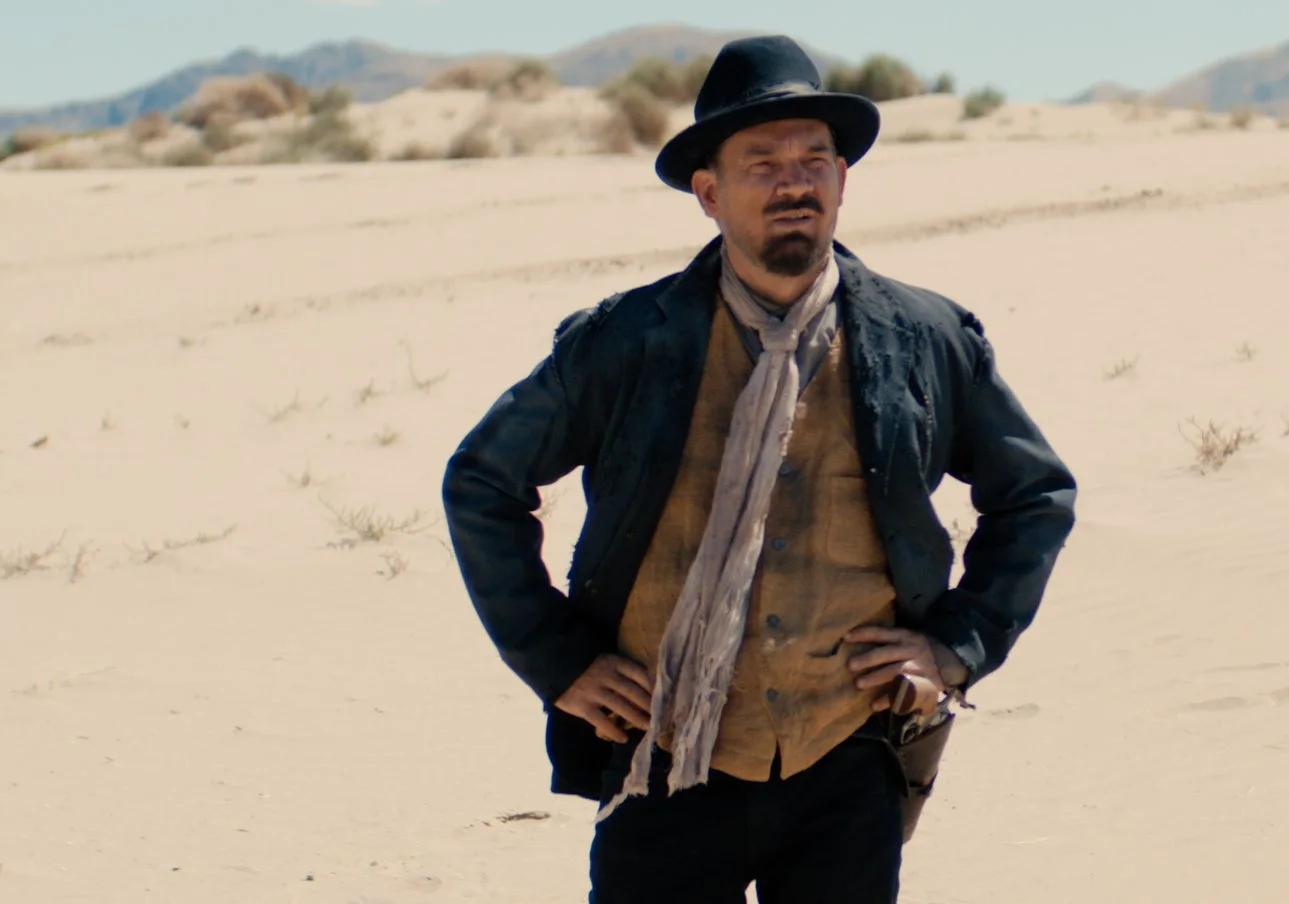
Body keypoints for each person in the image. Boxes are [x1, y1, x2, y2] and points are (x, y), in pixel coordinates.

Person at [439, 33, 1077, 904]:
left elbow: (1035, 493)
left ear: (842, 181)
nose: (794, 183)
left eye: (814, 161)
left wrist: (955, 646)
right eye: (763, 164)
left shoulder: (921, 339)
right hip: (664, 760)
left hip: (848, 761)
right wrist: (560, 661)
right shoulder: (627, 342)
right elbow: (481, 482)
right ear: (709, 193)